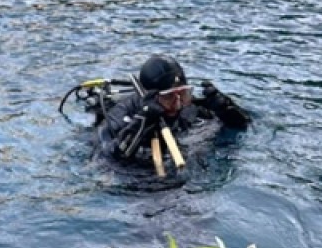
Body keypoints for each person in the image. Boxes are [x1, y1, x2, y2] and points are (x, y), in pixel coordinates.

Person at [95, 54, 249, 166]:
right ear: (151, 96)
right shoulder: (122, 113)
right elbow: (109, 155)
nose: (177, 103)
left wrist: (226, 109)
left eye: (183, 93)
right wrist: (143, 121)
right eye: (169, 96)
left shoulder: (189, 108)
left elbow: (243, 126)